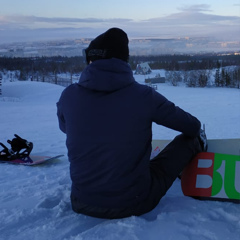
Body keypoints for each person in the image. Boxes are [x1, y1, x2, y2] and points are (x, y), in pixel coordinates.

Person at [57, 28, 207, 219]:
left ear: (90, 60)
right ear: (123, 61)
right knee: (190, 139)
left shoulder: (69, 95)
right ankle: (198, 147)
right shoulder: (143, 96)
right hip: (134, 202)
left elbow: (65, 128)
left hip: (81, 201)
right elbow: (191, 126)